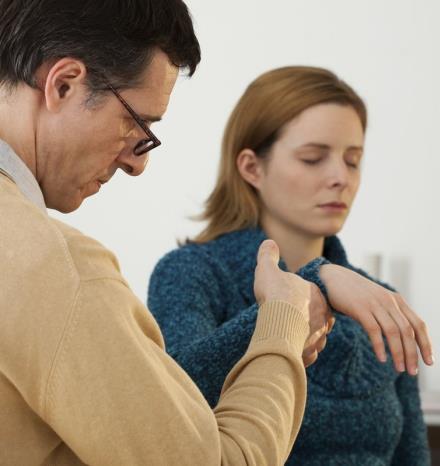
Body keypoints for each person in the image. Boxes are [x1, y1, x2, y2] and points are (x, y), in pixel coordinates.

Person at [0, 1, 334, 464]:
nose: (137, 164)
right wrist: (283, 323)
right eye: (136, 124)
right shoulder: (58, 270)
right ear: (64, 84)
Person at [148, 66, 433, 465]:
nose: (340, 177)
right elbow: (173, 399)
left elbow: (412, 456)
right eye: (313, 159)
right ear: (252, 168)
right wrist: (313, 285)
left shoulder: (377, 300)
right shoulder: (191, 273)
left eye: (353, 161)